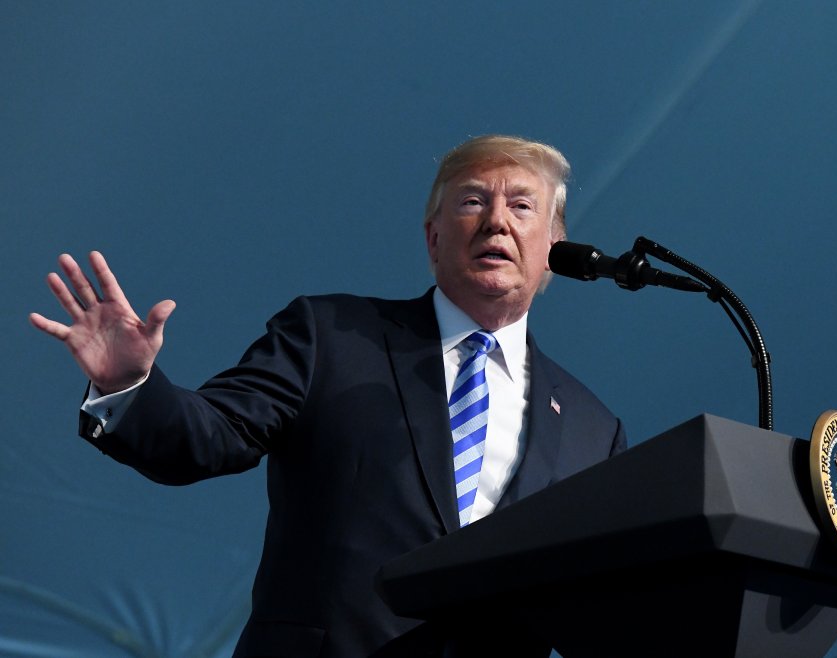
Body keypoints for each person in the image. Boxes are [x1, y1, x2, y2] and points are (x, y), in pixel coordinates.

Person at [30, 135, 627, 657]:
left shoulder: (592, 430)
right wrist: (129, 385)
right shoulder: (333, 336)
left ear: (553, 247)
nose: (497, 221)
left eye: (522, 206)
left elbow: (596, 602)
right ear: (434, 236)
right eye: (472, 200)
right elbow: (209, 437)